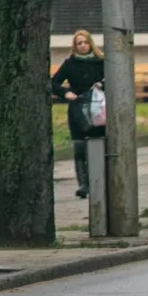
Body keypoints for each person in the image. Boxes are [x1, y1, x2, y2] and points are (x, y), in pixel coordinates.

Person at [51, 30, 105, 198]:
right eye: (79, 43)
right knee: (79, 147)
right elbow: (54, 82)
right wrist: (66, 93)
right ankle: (83, 184)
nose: (82, 46)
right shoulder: (70, 63)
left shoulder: (101, 62)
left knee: (97, 146)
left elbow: (111, 78)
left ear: (91, 44)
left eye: (85, 42)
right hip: (78, 108)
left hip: (97, 108)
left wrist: (101, 84)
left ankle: (98, 181)